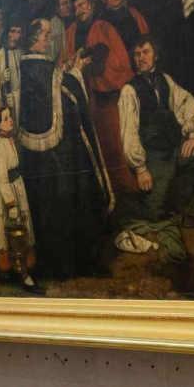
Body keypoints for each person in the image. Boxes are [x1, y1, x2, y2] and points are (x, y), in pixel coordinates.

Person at [18, 19, 113, 279]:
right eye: (46, 35)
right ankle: (74, 265)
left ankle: (59, 264)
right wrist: (78, 72)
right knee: (70, 200)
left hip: (38, 159)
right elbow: (65, 95)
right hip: (57, 157)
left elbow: (54, 87)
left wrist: (68, 70)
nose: (50, 39)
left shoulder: (27, 67)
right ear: (34, 40)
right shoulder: (39, 67)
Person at [118, 36, 194, 228]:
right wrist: (140, 168)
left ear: (156, 55)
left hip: (175, 150)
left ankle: (193, 213)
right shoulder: (129, 90)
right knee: (154, 213)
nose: (141, 58)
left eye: (146, 52)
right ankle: (122, 204)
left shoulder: (166, 80)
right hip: (153, 157)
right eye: (137, 54)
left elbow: (187, 104)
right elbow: (129, 133)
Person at [63, 0, 134, 196]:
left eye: (82, 5)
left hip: (106, 98)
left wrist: (93, 64)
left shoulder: (102, 26)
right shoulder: (71, 31)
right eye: (75, 7)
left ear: (92, 4)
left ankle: (125, 190)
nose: (79, 11)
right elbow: (63, 62)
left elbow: (118, 62)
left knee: (116, 145)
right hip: (84, 100)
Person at [0, 105, 38, 293]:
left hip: (18, 186)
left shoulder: (10, 140)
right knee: (11, 233)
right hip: (8, 193)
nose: (10, 120)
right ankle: (21, 275)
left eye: (10, 117)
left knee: (23, 229)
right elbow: (1, 178)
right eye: (6, 118)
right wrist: (10, 204)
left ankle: (21, 271)